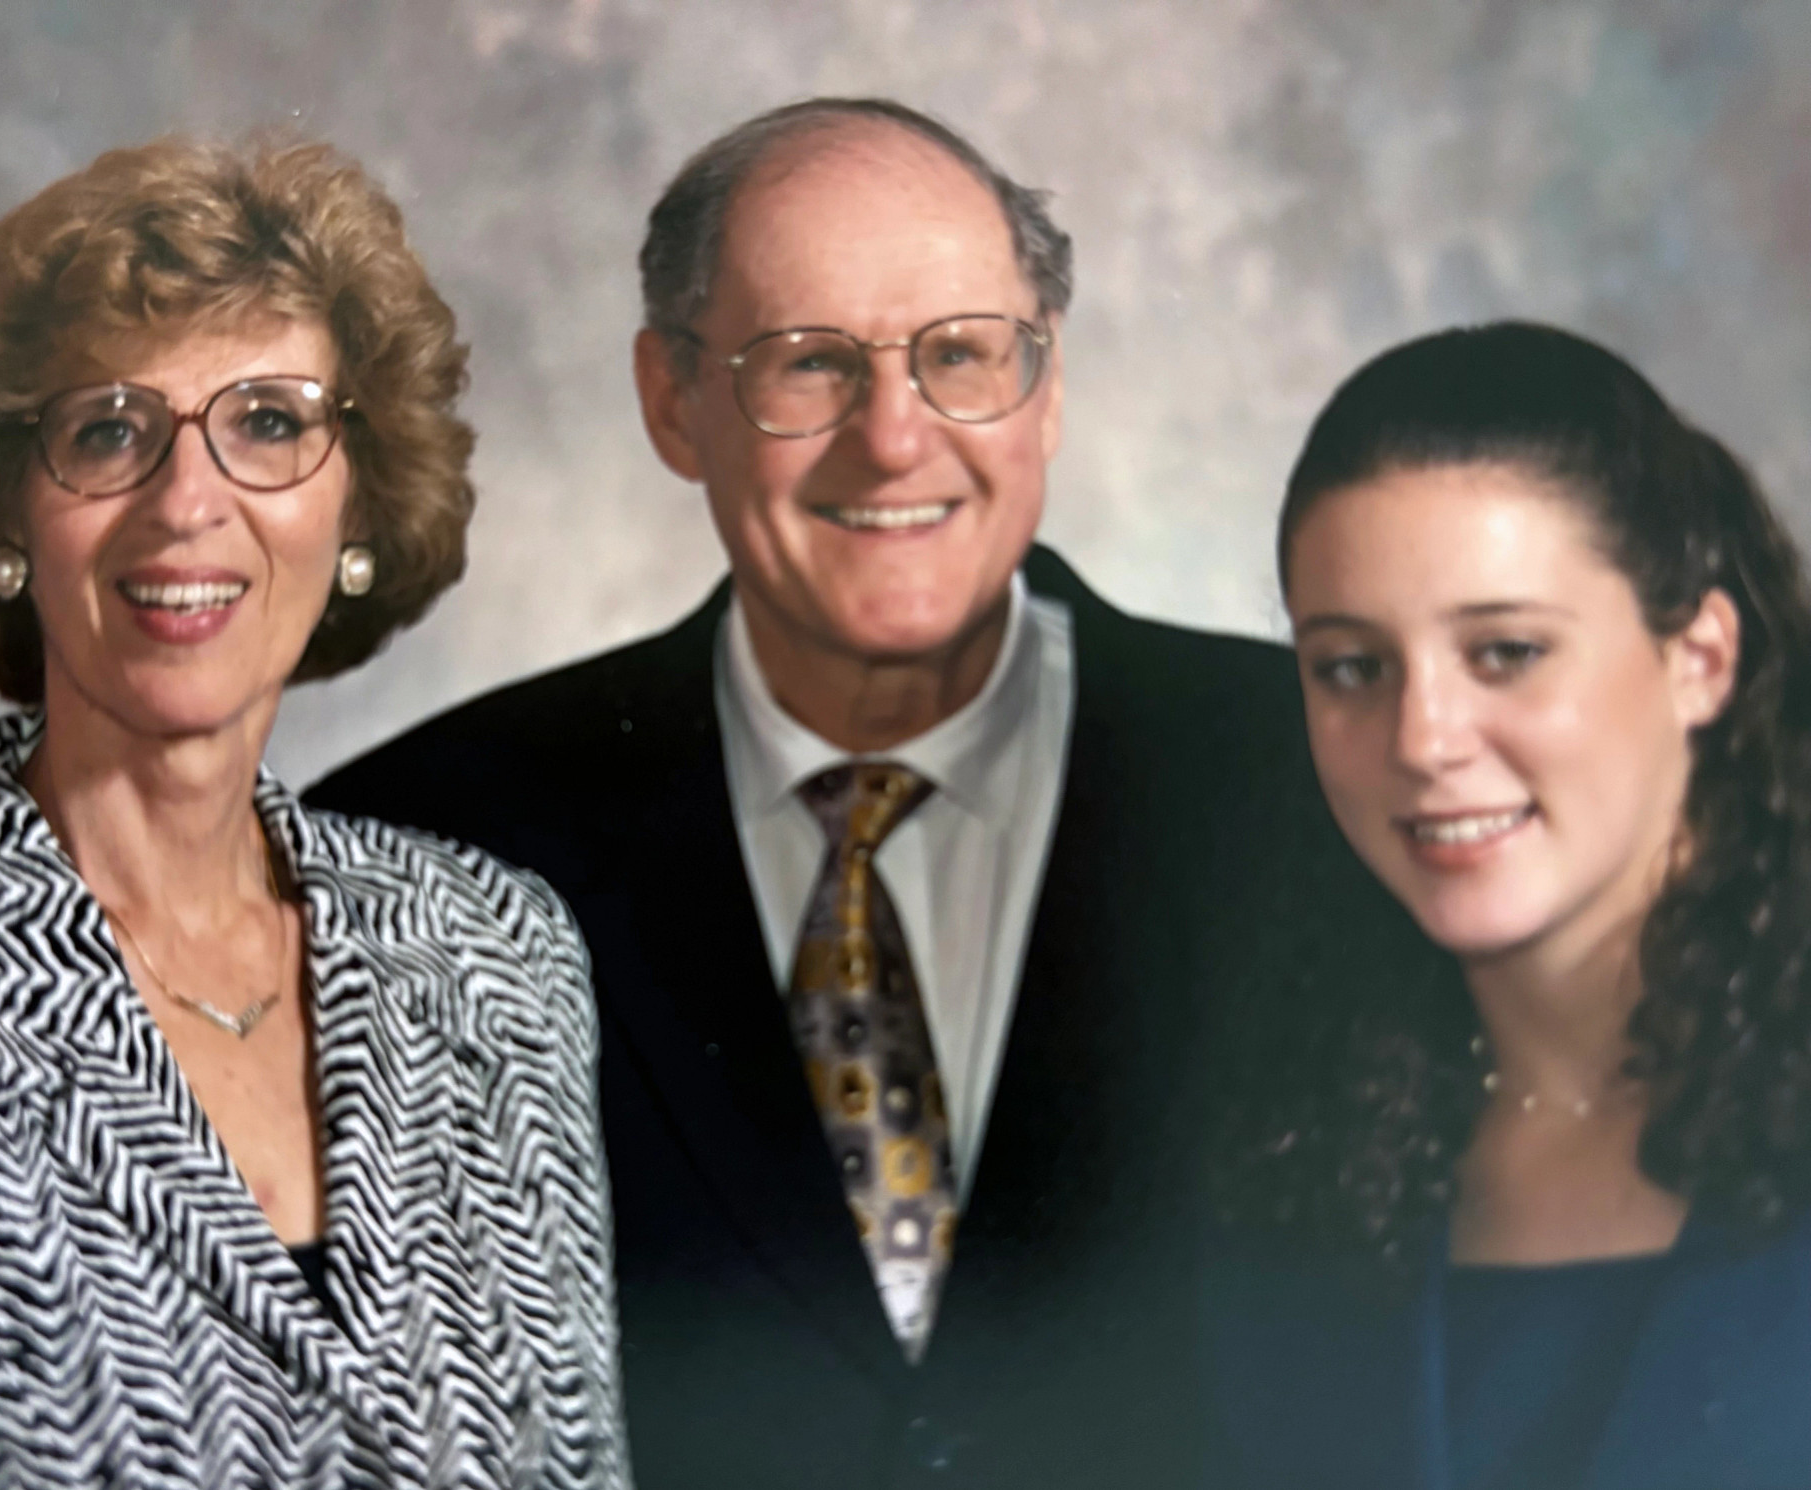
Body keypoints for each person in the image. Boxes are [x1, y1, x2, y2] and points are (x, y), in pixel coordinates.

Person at [308, 97, 1416, 1489]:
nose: (893, 437)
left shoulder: (1329, 781)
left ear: (1046, 385)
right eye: (808, 363)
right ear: (671, 398)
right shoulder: (420, 851)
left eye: (959, 355)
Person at [0, 137, 627, 1488]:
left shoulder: (498, 956)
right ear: (10, 509)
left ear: (356, 500)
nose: (186, 502)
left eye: (269, 422)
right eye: (109, 429)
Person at [1204, 321, 1811, 1489]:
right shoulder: (1290, 1166)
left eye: (1506, 651)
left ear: (1698, 658)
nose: (1420, 739)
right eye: (1351, 666)